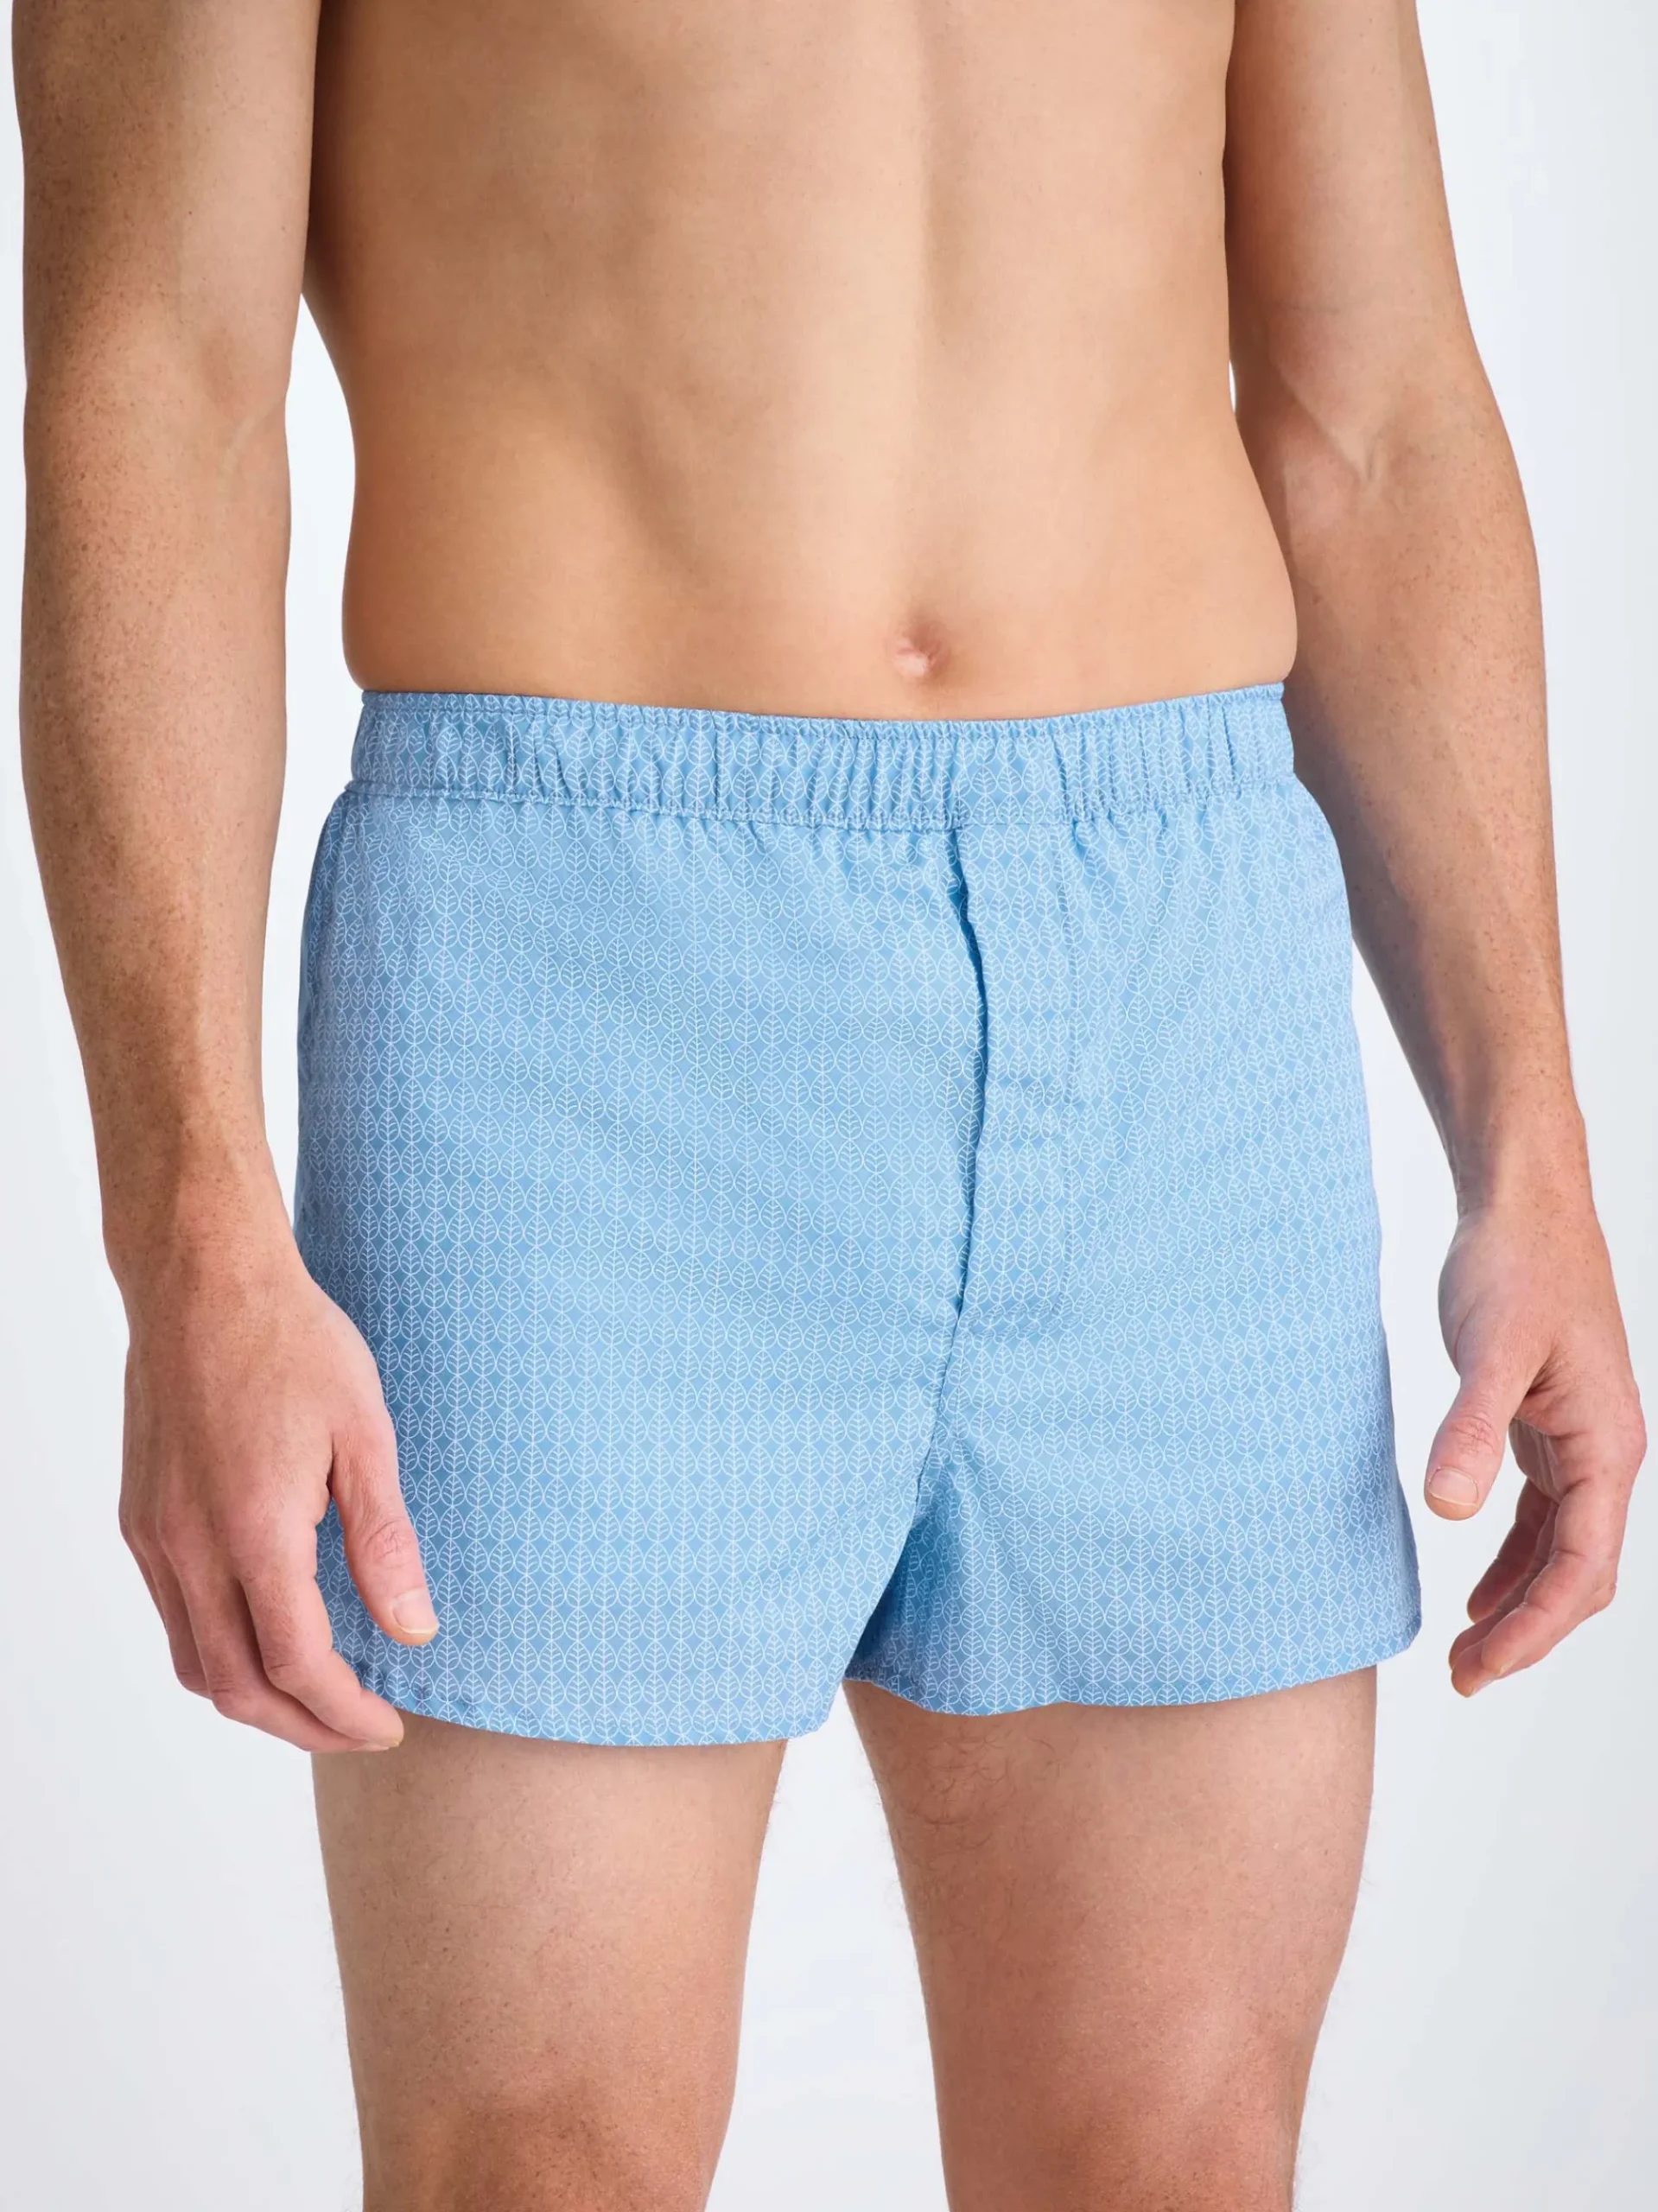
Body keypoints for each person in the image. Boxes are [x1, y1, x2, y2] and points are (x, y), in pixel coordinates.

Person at [14, 2, 1644, 2206]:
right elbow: (158, 374)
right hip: (572, 997)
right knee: (536, 2165)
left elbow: (1376, 410)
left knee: (1171, 2160)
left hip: (1174, 981)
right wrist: (185, 1217)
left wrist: (1528, 1145)